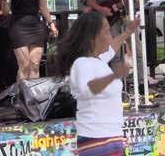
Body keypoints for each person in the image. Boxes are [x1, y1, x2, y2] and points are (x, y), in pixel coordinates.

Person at [54, 11, 140, 155]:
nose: (110, 36)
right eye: (106, 33)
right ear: (92, 38)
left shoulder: (98, 61)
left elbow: (112, 47)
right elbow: (89, 89)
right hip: (95, 138)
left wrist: (128, 31)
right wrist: (115, 75)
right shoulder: (82, 63)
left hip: (111, 135)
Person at [80, 0, 152, 94]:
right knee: (115, 54)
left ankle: (141, 84)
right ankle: (118, 87)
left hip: (127, 15)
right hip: (109, 21)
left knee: (137, 50)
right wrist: (100, 8)